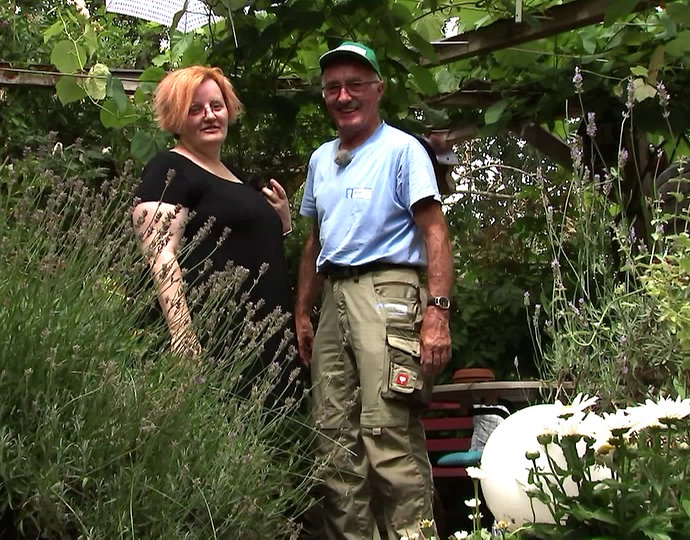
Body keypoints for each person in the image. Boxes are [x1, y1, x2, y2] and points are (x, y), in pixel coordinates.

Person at [295, 41, 454, 540]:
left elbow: (435, 233)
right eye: (333, 88)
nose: (344, 96)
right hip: (333, 296)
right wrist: (303, 310)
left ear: (378, 89)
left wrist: (437, 313)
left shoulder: (403, 150)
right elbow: (314, 241)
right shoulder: (321, 159)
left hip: (389, 291)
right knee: (333, 441)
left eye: (355, 85)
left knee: (387, 434)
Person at [132, 65, 300, 405]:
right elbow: (161, 256)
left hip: (262, 343)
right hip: (215, 341)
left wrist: (282, 222)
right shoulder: (168, 170)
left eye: (216, 106)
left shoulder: (231, 176)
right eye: (194, 109)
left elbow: (247, 249)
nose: (209, 115)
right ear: (175, 118)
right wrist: (183, 337)